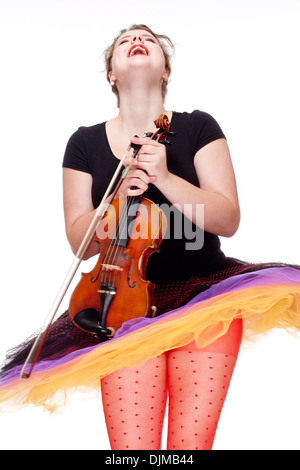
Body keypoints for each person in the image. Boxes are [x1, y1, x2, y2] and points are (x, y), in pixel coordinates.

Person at [0, 24, 300, 451]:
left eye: (147, 39)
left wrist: (164, 176)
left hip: (204, 299)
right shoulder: (84, 143)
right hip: (120, 306)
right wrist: (117, 197)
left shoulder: (198, 127)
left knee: (190, 450)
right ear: (111, 75)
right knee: (132, 453)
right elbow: (81, 244)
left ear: (165, 70)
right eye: (123, 41)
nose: (135, 40)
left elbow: (227, 218)